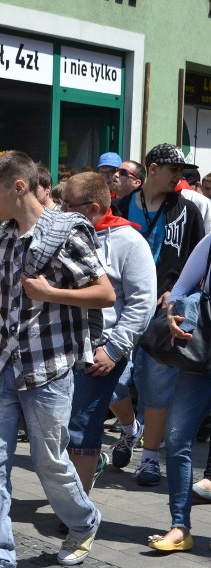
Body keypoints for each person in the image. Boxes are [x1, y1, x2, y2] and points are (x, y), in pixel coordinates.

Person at [0, 150, 115, 567]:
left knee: (50, 463)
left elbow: (105, 293)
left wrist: (51, 294)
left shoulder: (68, 231)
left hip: (49, 369)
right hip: (1, 367)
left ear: (19, 186)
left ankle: (83, 521)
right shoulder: (3, 237)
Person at [113, 143, 205, 486]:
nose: (179, 176)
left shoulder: (187, 211)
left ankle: (149, 459)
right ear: (153, 169)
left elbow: (197, 263)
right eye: (173, 170)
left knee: (157, 387)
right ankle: (128, 429)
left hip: (162, 314)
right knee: (114, 384)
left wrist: (177, 290)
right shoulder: (120, 206)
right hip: (121, 309)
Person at [60, 173, 155, 502]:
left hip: (101, 350)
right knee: (62, 426)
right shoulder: (68, 235)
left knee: (82, 425)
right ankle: (81, 479)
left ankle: (77, 510)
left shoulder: (129, 242)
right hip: (63, 346)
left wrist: (114, 349)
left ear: (93, 207)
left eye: (68, 205)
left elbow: (142, 302)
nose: (61, 210)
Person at [145, 231, 211, 552]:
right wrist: (172, 315)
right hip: (202, 356)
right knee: (176, 437)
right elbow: (183, 288)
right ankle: (179, 526)